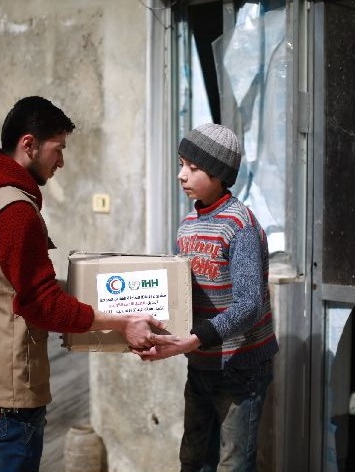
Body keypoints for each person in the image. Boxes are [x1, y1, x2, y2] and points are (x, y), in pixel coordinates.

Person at [0, 96, 175, 472]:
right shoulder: (15, 211)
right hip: (6, 390)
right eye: (58, 149)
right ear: (29, 144)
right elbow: (42, 303)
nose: (61, 161)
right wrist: (124, 321)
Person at [135, 123, 279, 471]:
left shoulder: (239, 224)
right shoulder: (188, 224)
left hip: (240, 368)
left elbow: (249, 304)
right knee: (194, 458)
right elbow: (177, 293)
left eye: (192, 167)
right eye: (181, 163)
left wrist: (193, 340)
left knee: (233, 463)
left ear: (218, 174)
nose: (181, 175)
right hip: (200, 363)